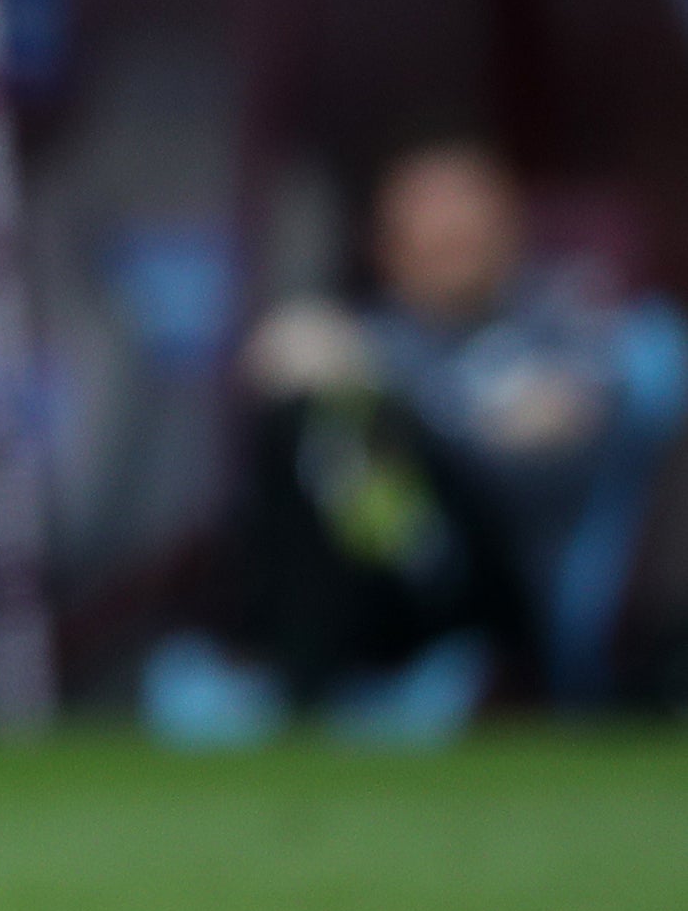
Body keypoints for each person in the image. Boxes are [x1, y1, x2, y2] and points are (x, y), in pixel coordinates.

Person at [152, 140, 683, 741]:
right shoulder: (374, 333)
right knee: (311, 423)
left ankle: (303, 683)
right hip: (374, 581)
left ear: (510, 230)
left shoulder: (566, 325)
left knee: (355, 426)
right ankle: (294, 665)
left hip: (487, 589)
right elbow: (275, 363)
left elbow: (542, 443)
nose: (450, 238)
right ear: (387, 247)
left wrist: (390, 397)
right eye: (429, 231)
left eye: (466, 227)